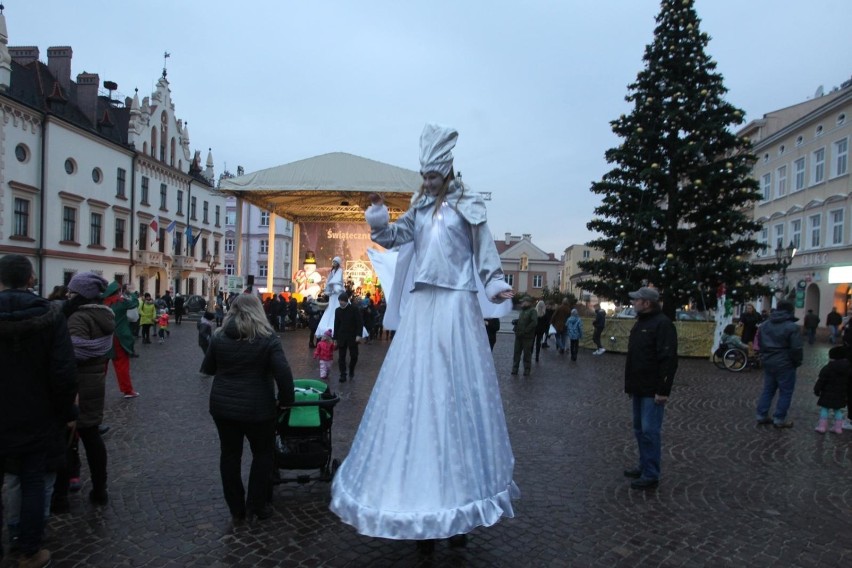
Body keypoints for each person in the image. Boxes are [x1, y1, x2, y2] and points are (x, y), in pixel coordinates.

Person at [331, 123, 518, 551]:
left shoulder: (468, 207)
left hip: (455, 308)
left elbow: (484, 256)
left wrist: (494, 285)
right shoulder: (417, 210)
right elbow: (391, 238)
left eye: (434, 176)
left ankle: (459, 514)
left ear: (449, 171)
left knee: (456, 401)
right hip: (423, 309)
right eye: (425, 177)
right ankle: (419, 506)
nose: (429, 183)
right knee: (414, 398)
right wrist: (377, 215)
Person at [0, 255, 77, 568]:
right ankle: (29, 550)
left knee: (16, 480)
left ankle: (14, 540)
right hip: (39, 411)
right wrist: (66, 411)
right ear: (31, 279)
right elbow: (63, 370)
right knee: (34, 480)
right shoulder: (50, 314)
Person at [200, 294, 295, 522]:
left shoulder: (220, 336)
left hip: (223, 407)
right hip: (259, 409)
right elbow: (283, 373)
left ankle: (236, 508)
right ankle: (257, 505)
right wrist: (286, 400)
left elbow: (208, 368)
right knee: (263, 455)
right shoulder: (268, 338)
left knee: (230, 455)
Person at [62, 272, 115, 507]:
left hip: (76, 384)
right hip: (95, 381)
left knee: (69, 437)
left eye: (71, 291)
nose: (67, 295)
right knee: (92, 436)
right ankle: (100, 488)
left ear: (79, 295)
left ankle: (62, 490)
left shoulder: (78, 318)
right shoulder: (103, 315)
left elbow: (74, 352)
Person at [623, 287, 677, 490]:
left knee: (650, 431)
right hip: (639, 386)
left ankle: (651, 473)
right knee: (640, 430)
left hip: (652, 389)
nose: (634, 303)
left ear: (647, 303)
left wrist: (663, 389)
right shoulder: (642, 322)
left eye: (637, 300)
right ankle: (644, 465)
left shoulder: (662, 324)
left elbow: (668, 359)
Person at [755, 300, 803, 428]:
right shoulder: (792, 327)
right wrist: (796, 362)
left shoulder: (765, 325)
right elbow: (796, 348)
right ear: (790, 311)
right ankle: (779, 418)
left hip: (769, 360)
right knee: (785, 391)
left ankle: (761, 415)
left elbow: (760, 343)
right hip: (785, 362)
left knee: (768, 389)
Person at [102, 281, 140, 397]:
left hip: (104, 337)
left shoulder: (103, 303)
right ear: (118, 292)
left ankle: (97, 389)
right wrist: (131, 292)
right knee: (121, 364)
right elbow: (134, 303)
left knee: (101, 366)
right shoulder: (120, 302)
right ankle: (127, 390)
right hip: (118, 337)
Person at [813, 346, 849, 434]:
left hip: (827, 394)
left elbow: (821, 380)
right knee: (837, 410)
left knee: (824, 409)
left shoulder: (827, 368)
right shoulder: (847, 369)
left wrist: (817, 390)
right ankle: (838, 428)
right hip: (840, 394)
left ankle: (822, 427)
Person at [333, 292, 364, 383]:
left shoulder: (354, 309)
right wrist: (335, 338)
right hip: (341, 336)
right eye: (340, 301)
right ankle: (343, 374)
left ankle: (351, 369)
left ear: (346, 301)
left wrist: (359, 335)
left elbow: (359, 322)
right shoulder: (337, 310)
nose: (341, 302)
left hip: (352, 336)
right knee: (341, 357)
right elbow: (336, 324)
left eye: (342, 301)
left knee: (354, 355)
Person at [316, 257, 344, 338]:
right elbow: (329, 279)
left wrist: (331, 283)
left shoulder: (339, 270)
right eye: (333, 262)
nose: (334, 263)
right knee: (331, 308)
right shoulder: (333, 271)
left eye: (335, 262)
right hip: (333, 292)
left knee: (337, 305)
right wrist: (328, 286)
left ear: (338, 263)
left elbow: (337, 279)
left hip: (337, 291)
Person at [512, 296, 538, 376]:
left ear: (528, 302)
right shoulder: (522, 311)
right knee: (516, 353)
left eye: (523, 302)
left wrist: (526, 331)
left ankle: (527, 369)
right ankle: (515, 369)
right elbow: (522, 321)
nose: (521, 303)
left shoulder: (532, 311)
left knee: (527, 354)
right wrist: (516, 322)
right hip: (519, 336)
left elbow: (534, 322)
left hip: (527, 337)